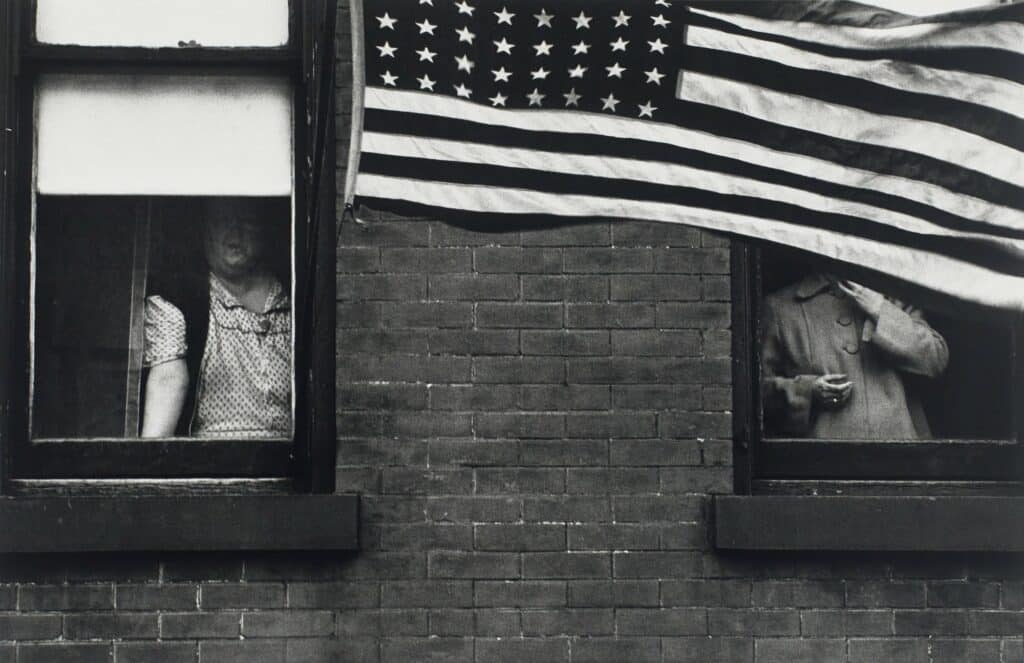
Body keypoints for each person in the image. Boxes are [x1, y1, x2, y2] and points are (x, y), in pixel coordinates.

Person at [140, 199, 291, 438]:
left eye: (247, 222)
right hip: (214, 463)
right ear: (204, 228)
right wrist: (147, 466)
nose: (235, 232)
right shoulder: (181, 302)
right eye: (223, 220)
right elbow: (168, 380)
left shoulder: (292, 300)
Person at [760, 273, 948, 439]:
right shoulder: (781, 307)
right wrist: (807, 392)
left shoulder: (895, 298)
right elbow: (755, 394)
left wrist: (880, 310)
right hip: (821, 464)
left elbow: (935, 360)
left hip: (899, 460)